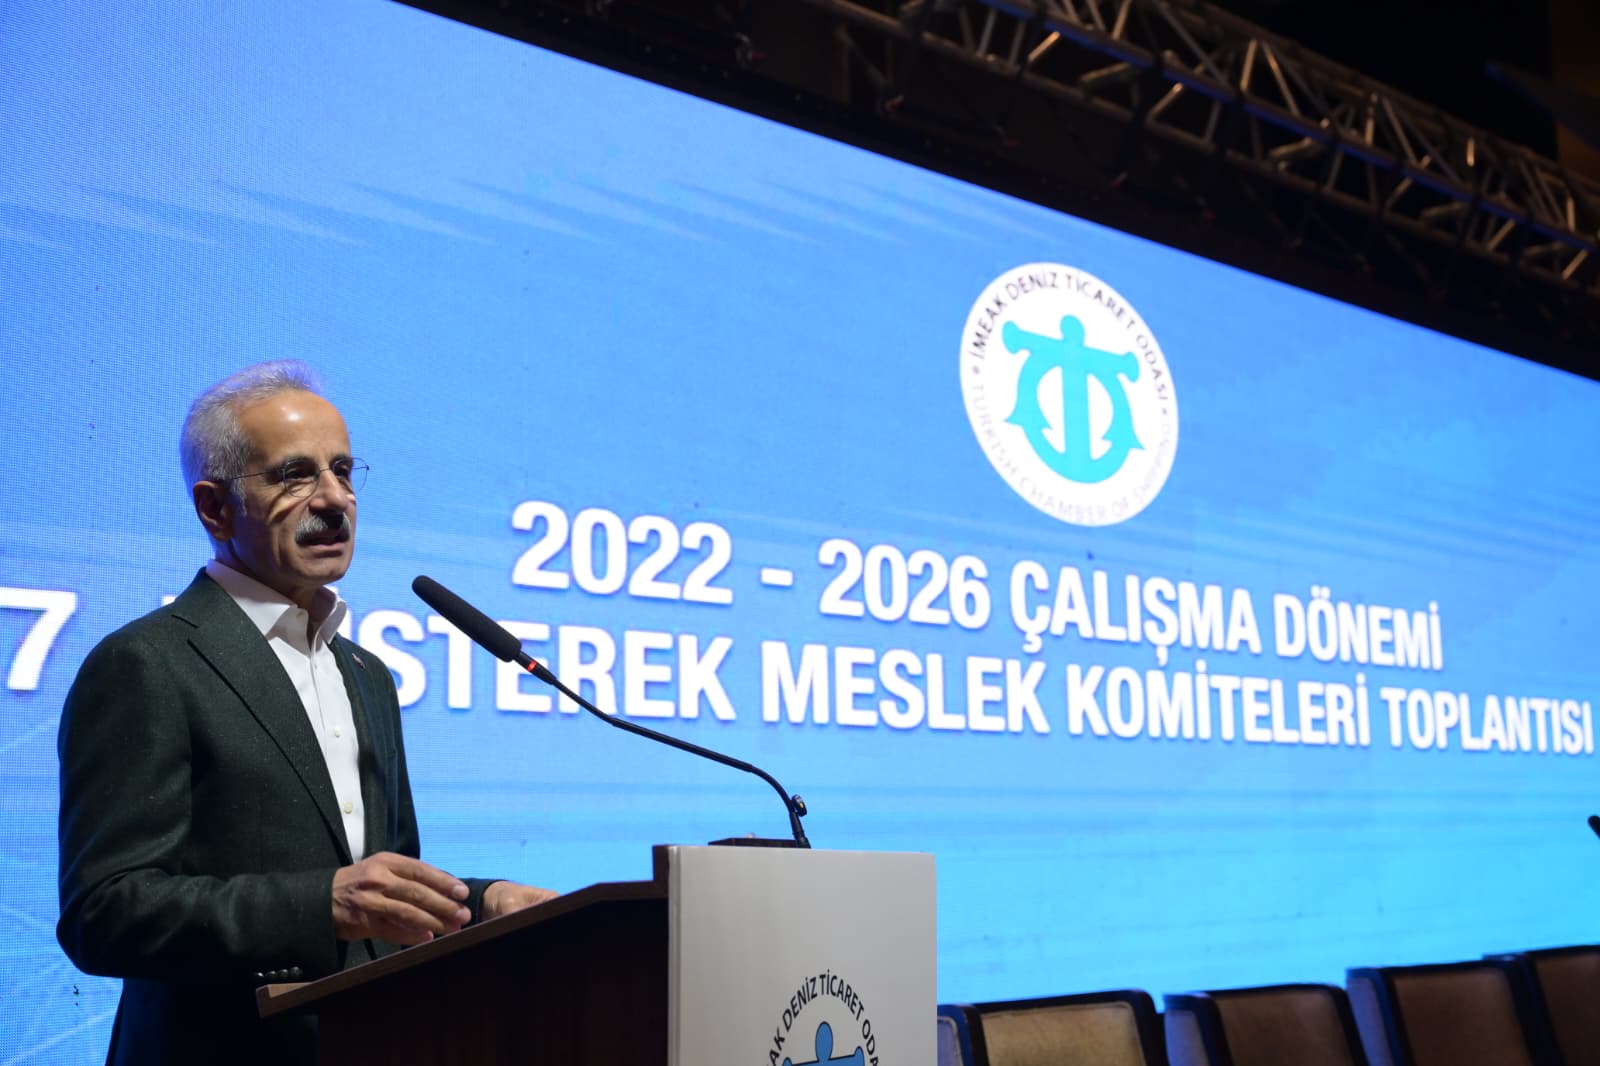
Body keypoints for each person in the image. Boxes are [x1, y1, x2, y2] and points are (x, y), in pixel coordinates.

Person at [56, 360, 556, 1065]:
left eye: (343, 471)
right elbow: (104, 913)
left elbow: (378, 885)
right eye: (295, 475)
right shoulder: (147, 663)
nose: (335, 499)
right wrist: (321, 906)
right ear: (215, 508)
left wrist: (483, 901)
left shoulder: (367, 675)